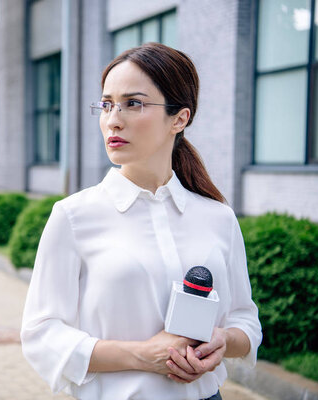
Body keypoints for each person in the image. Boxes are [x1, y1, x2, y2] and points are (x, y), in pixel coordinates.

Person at [20, 43, 262, 400]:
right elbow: (41, 333)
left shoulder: (218, 218)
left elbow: (246, 320)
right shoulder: (73, 216)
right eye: (106, 105)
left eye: (133, 103)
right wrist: (143, 355)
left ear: (179, 118)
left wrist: (222, 341)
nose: (113, 119)